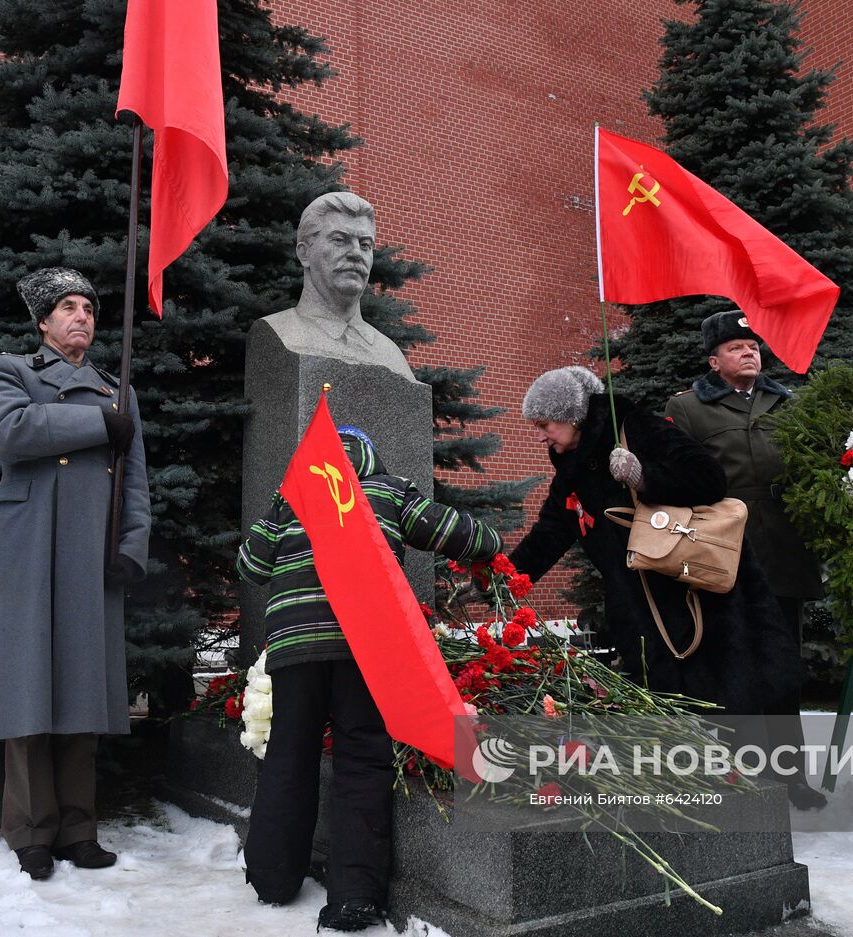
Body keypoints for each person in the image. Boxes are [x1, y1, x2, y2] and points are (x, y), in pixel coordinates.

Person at [236, 426, 501, 932]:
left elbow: (250, 565)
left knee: (289, 754)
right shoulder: (388, 488)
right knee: (361, 757)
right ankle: (354, 896)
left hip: (294, 647)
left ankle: (271, 876)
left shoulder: (292, 497)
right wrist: (492, 541)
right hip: (365, 644)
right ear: (369, 458)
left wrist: (278, 510)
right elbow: (457, 534)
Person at [0, 267, 150, 882]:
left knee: (81, 689)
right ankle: (31, 832)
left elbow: (137, 483)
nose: (82, 317)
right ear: (43, 322)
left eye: (90, 309)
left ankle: (78, 828)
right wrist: (96, 424)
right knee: (27, 686)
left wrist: (132, 547)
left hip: (90, 552)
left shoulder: (116, 389)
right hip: (28, 545)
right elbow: (11, 434)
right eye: (68, 308)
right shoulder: (9, 370)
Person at [506, 366, 800, 721]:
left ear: (571, 415)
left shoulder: (638, 428)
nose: (540, 437)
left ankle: (758, 776)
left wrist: (643, 476)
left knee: (730, 707)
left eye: (544, 425)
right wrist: (501, 578)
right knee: (668, 717)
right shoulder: (572, 467)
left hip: (697, 597)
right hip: (640, 611)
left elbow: (709, 479)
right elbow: (549, 533)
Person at [663, 310, 826, 809]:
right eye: (736, 347)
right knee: (735, 666)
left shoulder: (789, 402)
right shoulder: (688, 408)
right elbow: (676, 478)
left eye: (753, 345)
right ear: (714, 360)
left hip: (783, 551)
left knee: (783, 667)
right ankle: (743, 776)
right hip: (724, 556)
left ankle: (792, 776)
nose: (749, 352)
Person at [257, 192, 415, 379]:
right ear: (305, 253)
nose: (356, 253)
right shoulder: (279, 334)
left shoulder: (391, 356)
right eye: (340, 240)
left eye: (365, 244)